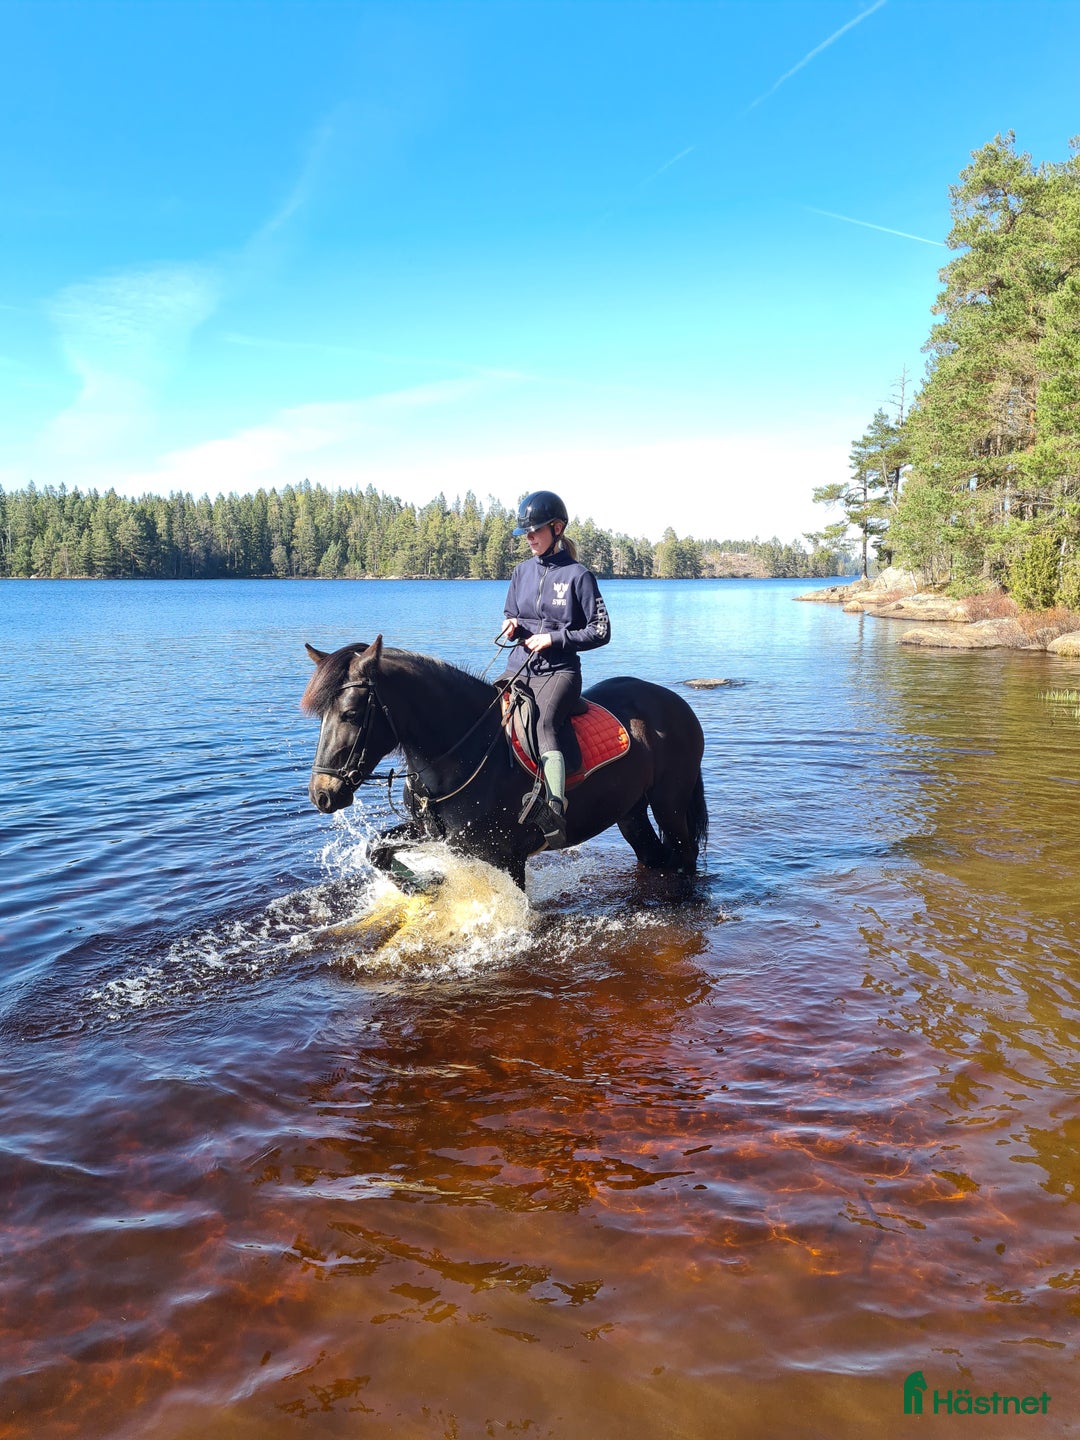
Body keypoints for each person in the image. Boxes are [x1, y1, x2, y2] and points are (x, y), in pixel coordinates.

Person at [498, 490, 611, 847]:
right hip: (519, 667)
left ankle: (555, 809)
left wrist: (553, 639)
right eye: (525, 533)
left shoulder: (579, 576)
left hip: (560, 671)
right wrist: (511, 625)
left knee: (544, 723)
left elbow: (601, 631)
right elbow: (511, 613)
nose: (529, 537)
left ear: (557, 528)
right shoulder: (521, 572)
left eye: (535, 531)